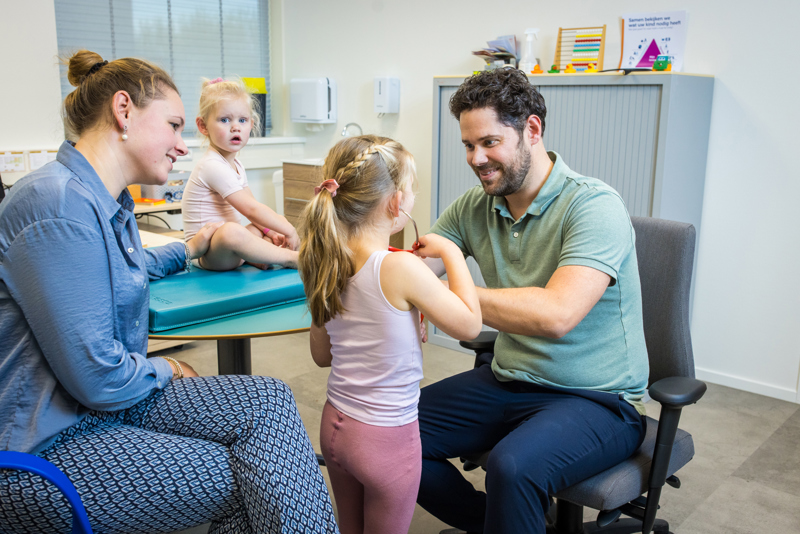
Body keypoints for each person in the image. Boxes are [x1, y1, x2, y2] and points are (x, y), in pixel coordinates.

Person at [0, 50, 338, 534]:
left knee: (270, 399)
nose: (182, 145)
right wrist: (171, 367)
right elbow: (99, 377)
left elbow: (122, 265)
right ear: (123, 110)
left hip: (93, 405)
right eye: (175, 126)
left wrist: (190, 248)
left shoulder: (100, 200)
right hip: (46, 440)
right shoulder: (55, 205)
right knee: (262, 476)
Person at [415, 68, 650, 534]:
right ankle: (503, 524)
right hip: (509, 379)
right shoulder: (473, 207)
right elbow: (416, 273)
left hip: (599, 400)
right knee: (389, 430)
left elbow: (557, 314)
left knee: (513, 467)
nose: (476, 158)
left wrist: (439, 295)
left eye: (489, 142)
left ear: (532, 129)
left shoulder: (593, 205)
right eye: (468, 145)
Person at [298, 135, 482, 534]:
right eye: (411, 189)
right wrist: (452, 252)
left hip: (335, 427)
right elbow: (470, 325)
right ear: (396, 203)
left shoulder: (328, 261)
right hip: (386, 439)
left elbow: (322, 356)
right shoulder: (401, 268)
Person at [182, 77, 298, 270]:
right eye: (224, 120)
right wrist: (289, 229)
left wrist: (270, 232)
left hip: (228, 251)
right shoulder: (211, 165)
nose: (235, 127)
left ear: (251, 124)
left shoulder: (236, 165)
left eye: (242, 120)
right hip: (207, 255)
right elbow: (251, 209)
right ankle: (290, 258)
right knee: (232, 232)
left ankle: (256, 256)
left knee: (254, 229)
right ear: (203, 126)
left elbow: (253, 209)